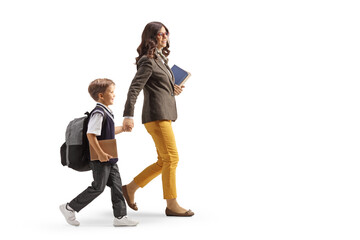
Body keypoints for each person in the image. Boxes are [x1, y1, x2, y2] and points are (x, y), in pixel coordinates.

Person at [121, 21, 194, 217]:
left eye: (166, 33)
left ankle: (129, 189)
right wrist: (128, 116)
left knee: (164, 161)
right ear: (150, 38)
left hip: (165, 114)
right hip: (156, 115)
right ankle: (172, 204)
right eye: (159, 34)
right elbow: (134, 89)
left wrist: (172, 89)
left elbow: (157, 87)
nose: (164, 37)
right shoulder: (147, 60)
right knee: (172, 158)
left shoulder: (161, 60)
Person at [60, 78, 138, 226]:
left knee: (116, 185)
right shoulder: (98, 113)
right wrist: (101, 154)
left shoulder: (106, 112)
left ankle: (120, 217)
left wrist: (122, 128)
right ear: (101, 96)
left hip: (110, 157)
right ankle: (69, 207)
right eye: (111, 92)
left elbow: (106, 132)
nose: (114, 95)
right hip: (100, 158)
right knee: (98, 187)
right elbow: (91, 135)